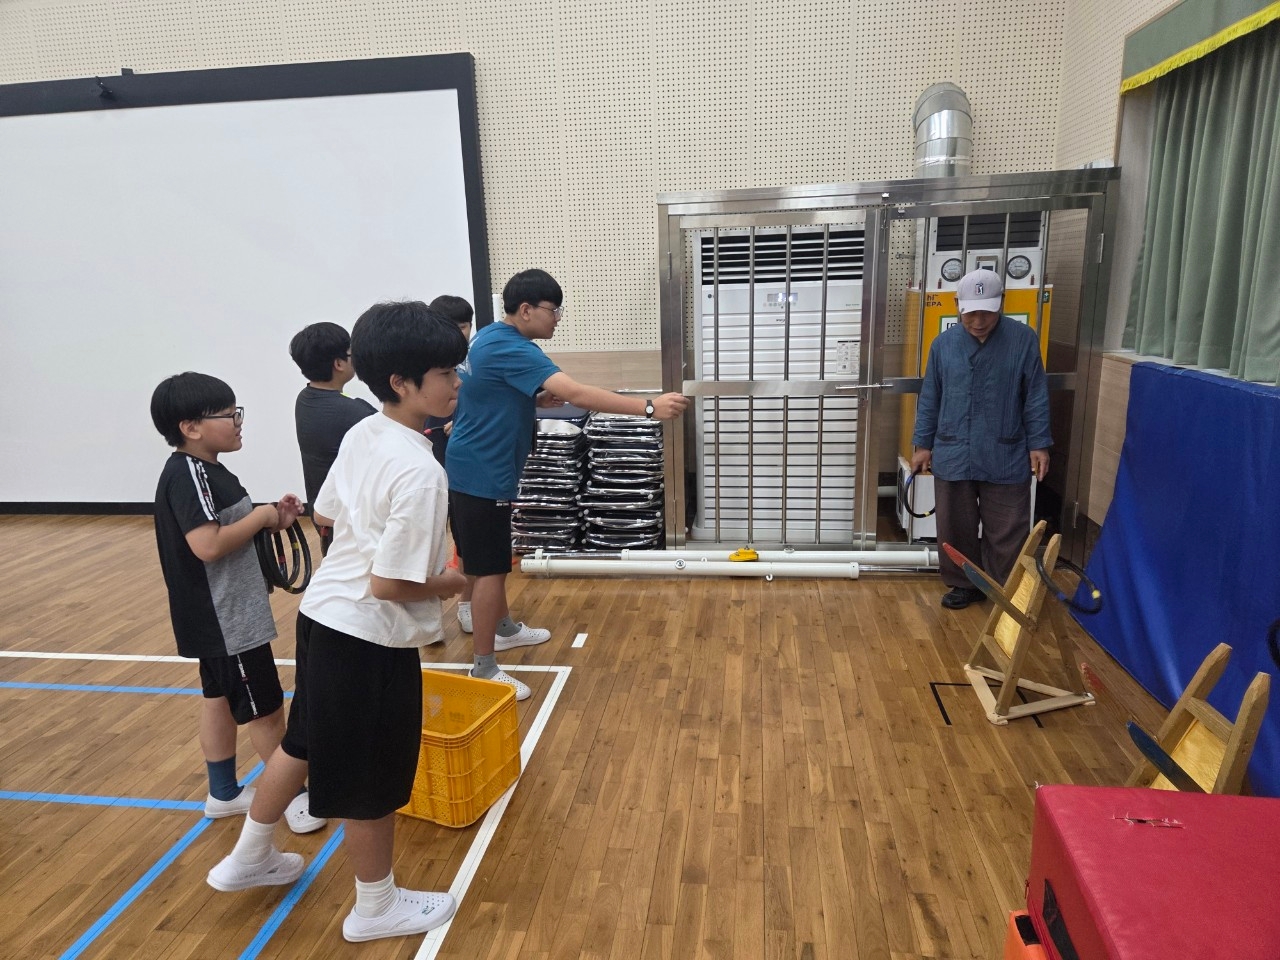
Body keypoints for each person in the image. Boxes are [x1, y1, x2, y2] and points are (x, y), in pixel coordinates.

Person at [207, 302, 468, 944]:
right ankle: (375, 907)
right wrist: (453, 582)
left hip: (323, 616)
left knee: (303, 742)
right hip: (368, 635)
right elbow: (390, 584)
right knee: (369, 775)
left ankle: (249, 857)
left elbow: (325, 514)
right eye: (446, 373)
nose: (456, 384)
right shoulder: (420, 470)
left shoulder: (366, 431)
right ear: (402, 383)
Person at [446, 269, 689, 700]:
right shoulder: (511, 346)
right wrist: (649, 407)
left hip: (477, 467)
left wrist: (535, 398)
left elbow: (489, 391)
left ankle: (503, 628)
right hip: (482, 474)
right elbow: (576, 393)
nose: (557, 319)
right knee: (490, 570)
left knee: (491, 561)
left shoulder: (489, 337)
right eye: (553, 311)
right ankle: (484, 667)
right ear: (526, 310)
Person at [150, 372, 325, 834]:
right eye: (229, 415)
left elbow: (227, 527)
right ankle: (293, 800)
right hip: (226, 619)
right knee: (265, 709)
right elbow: (208, 545)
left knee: (219, 700)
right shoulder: (189, 474)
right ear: (191, 427)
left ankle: (224, 792)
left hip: (219, 617)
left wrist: (272, 517)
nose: (238, 421)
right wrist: (262, 516)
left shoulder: (208, 470)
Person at [910, 268, 1052, 609]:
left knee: (1008, 526)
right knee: (954, 525)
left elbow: (1035, 395)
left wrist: (1039, 443)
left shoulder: (1023, 339)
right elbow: (930, 397)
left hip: (1005, 448)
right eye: (970, 313)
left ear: (1001, 303)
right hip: (953, 448)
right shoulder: (943, 345)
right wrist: (923, 444)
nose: (978, 321)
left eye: (986, 312)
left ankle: (1005, 587)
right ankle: (963, 583)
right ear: (957, 305)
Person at [289, 321, 376, 553]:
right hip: (353, 522)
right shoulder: (356, 413)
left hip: (324, 514)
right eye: (351, 353)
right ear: (338, 363)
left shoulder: (304, 398)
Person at [422, 295, 474, 467]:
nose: (456, 333)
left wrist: (468, 419)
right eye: (450, 327)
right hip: (434, 437)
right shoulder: (423, 363)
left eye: (462, 327)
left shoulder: (479, 360)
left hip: (470, 445)